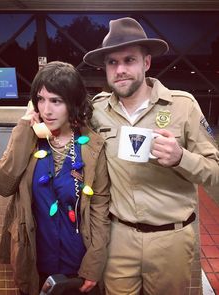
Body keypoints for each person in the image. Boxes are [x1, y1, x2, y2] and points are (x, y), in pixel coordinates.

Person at [83, 17, 219, 295]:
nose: (120, 70)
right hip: (118, 238)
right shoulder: (97, 111)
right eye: (112, 62)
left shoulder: (183, 106)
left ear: (146, 63)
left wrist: (181, 157)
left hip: (170, 240)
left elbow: (215, 174)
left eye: (129, 60)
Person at [0, 61, 110, 295]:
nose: (46, 110)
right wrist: (24, 126)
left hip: (78, 263)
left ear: (73, 103)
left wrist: (94, 265)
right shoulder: (30, 139)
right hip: (36, 260)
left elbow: (100, 210)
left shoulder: (91, 147)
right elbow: (2, 185)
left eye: (56, 101)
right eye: (41, 99)